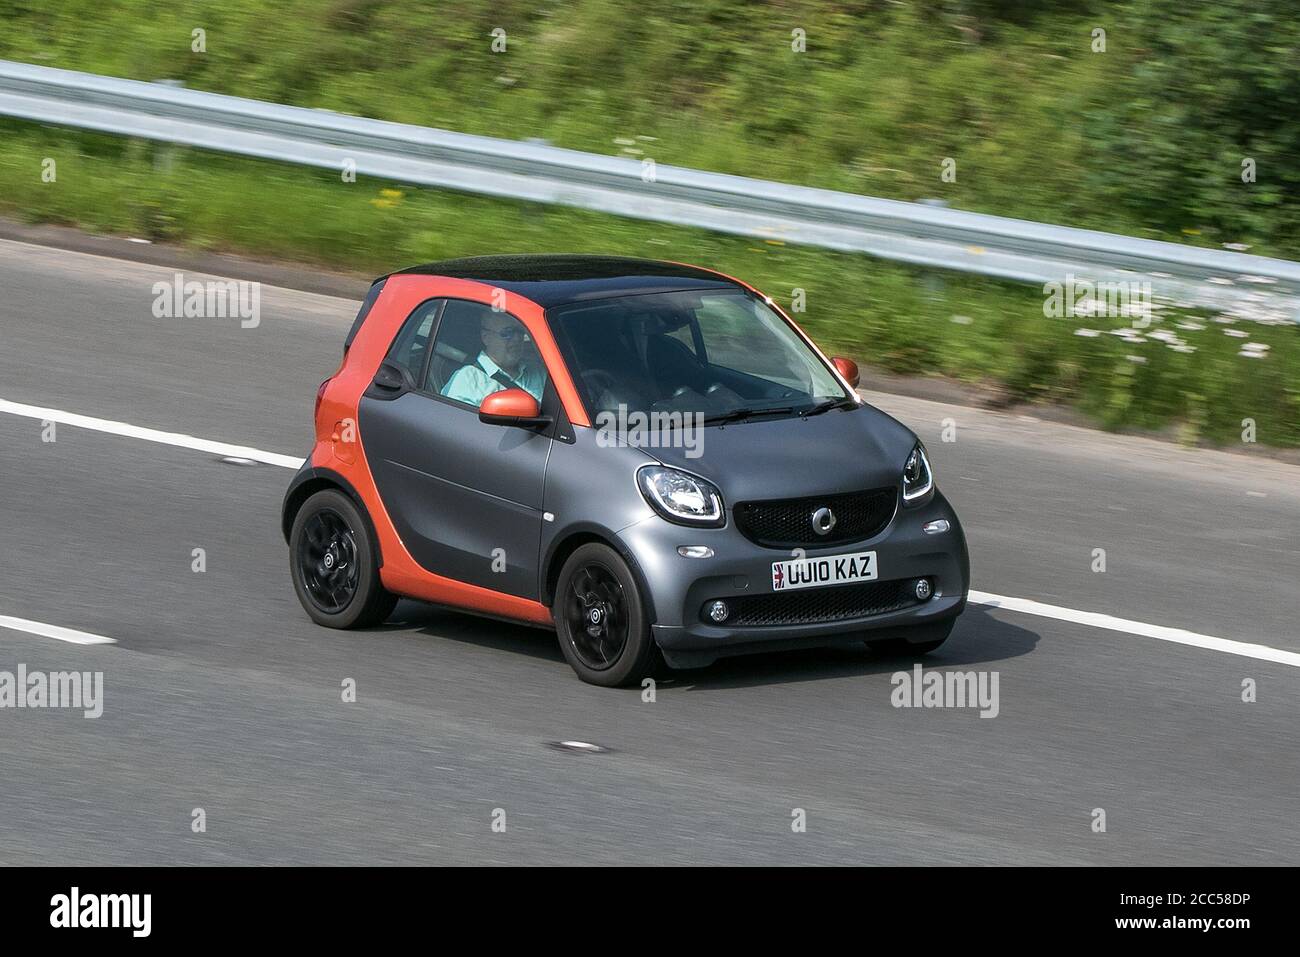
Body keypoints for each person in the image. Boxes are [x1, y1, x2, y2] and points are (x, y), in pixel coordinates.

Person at [442, 311, 546, 406]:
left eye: (520, 332)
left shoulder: (539, 371)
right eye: (507, 333)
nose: (517, 339)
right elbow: (454, 422)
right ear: (486, 337)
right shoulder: (467, 380)